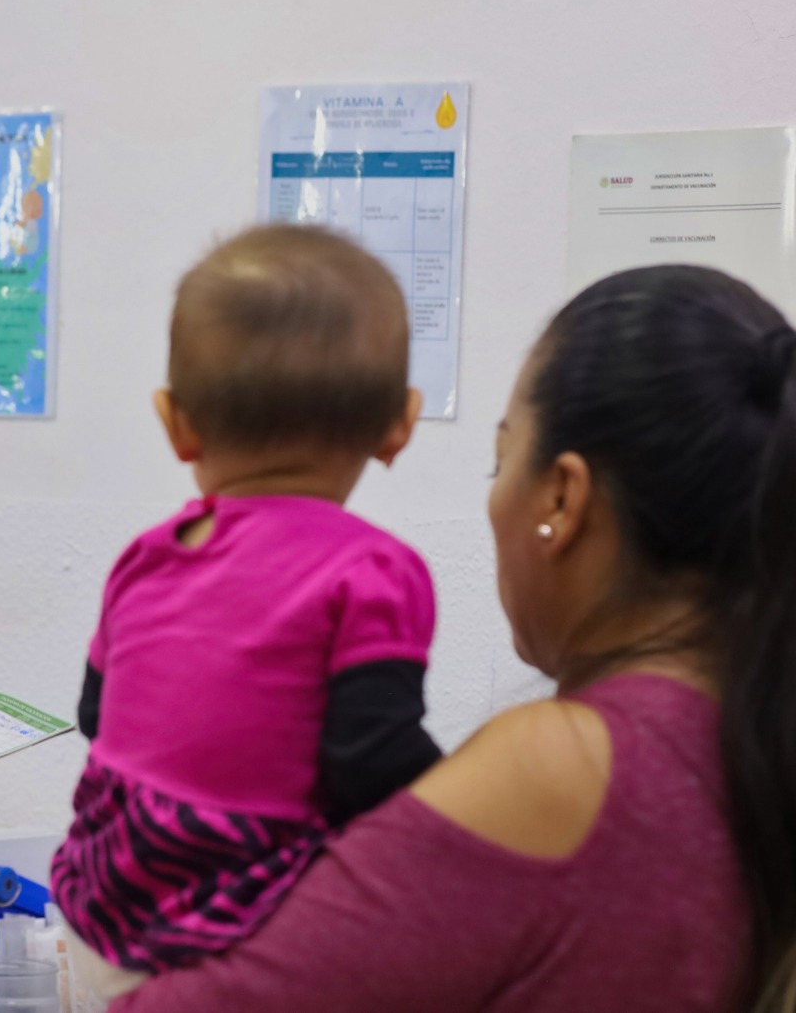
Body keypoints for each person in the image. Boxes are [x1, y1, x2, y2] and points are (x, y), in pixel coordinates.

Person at [116, 263, 794, 1011]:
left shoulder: (561, 767)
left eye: (499, 461)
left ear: (562, 499)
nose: (494, 497)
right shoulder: (755, 733)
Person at [50, 224, 441, 999]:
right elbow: (370, 760)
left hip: (101, 907)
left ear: (177, 424)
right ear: (400, 424)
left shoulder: (150, 556)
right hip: (249, 921)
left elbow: (96, 713)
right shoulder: (374, 571)